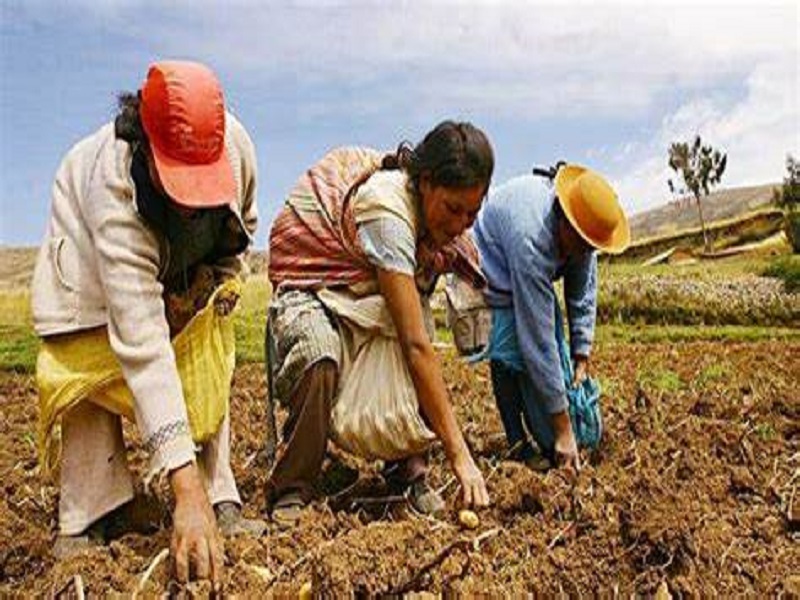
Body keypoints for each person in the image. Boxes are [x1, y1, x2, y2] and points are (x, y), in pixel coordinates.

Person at [31, 60, 264, 586]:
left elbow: (243, 226)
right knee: (88, 367)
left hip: (189, 269)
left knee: (208, 357)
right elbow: (142, 341)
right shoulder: (111, 188)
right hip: (88, 283)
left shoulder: (236, 149)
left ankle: (216, 489)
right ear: (148, 149)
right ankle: (90, 510)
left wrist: (211, 285)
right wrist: (181, 495)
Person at [265, 121, 495, 524]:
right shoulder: (387, 213)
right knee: (318, 357)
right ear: (424, 183)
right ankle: (293, 485)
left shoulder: (441, 229)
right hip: (316, 284)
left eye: (472, 213)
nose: (460, 225)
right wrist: (460, 454)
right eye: (453, 209)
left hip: (366, 288)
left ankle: (407, 472)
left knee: (412, 330)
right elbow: (415, 346)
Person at [472, 164, 630, 471]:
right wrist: (563, 432)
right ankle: (517, 443)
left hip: (526, 261)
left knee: (556, 367)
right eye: (582, 246)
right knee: (509, 354)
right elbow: (539, 340)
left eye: (591, 249)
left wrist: (580, 354)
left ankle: (545, 425)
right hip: (490, 268)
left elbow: (582, 291)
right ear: (564, 223)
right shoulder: (531, 239)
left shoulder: (583, 234)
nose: (586, 253)